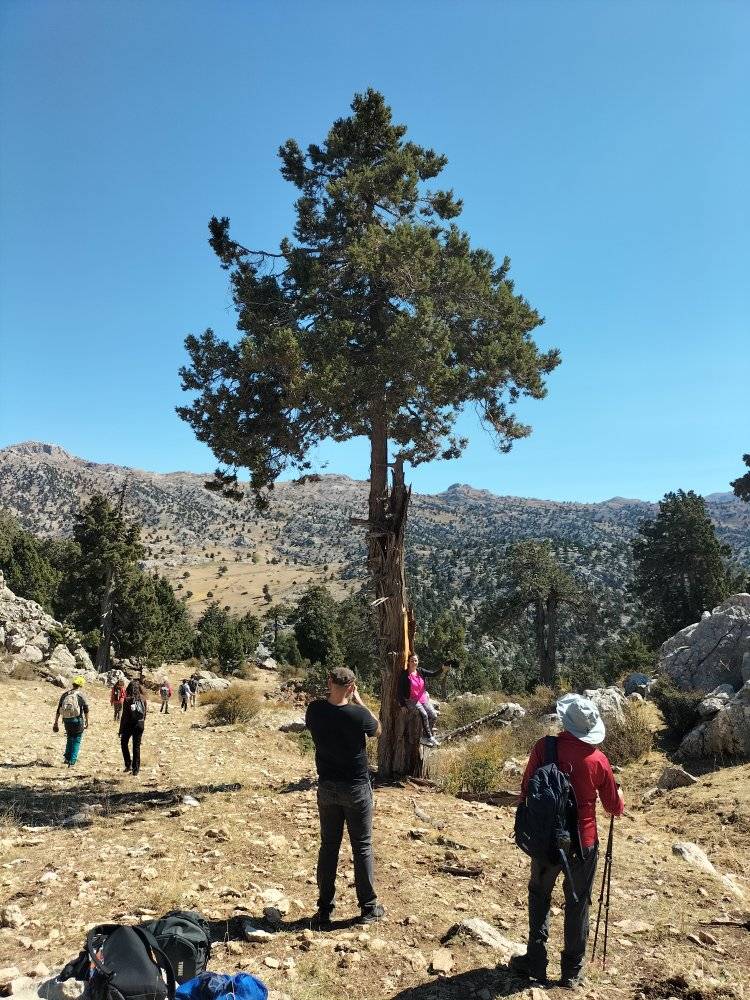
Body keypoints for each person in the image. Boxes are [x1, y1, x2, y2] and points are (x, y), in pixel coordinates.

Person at [511, 694, 625, 990]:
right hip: (583, 842)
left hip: (546, 841)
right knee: (578, 903)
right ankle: (571, 973)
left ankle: (535, 962)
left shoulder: (544, 747)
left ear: (565, 722)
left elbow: (526, 790)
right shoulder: (598, 760)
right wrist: (620, 796)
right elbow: (614, 807)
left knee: (539, 896)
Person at [305, 666, 383, 927]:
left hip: (327, 787)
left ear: (329, 681)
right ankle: (368, 908)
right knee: (362, 847)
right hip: (356, 788)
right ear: (352, 686)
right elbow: (377, 730)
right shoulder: (358, 714)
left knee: (329, 847)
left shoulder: (314, 710)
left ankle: (325, 909)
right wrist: (360, 701)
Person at [398, 653, 441, 746]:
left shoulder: (420, 671)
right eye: (412, 660)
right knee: (424, 715)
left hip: (423, 699)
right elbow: (400, 691)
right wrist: (402, 705)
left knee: (433, 715)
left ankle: (426, 736)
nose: (414, 662)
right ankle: (428, 737)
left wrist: (443, 668)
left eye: (415, 660)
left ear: (418, 661)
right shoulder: (405, 675)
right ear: (408, 662)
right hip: (411, 700)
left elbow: (433, 674)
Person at [53, 676, 89, 767]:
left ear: (73, 684)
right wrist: (87, 721)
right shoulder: (81, 695)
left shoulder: (65, 695)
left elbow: (59, 709)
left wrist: (56, 722)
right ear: (80, 685)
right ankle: (72, 761)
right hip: (77, 720)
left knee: (69, 737)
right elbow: (86, 709)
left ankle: (66, 758)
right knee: (77, 739)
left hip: (66, 720)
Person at [120, 679, 147, 776]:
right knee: (136, 747)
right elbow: (144, 714)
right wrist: (141, 723)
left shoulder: (127, 700)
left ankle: (128, 764)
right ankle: (136, 769)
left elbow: (124, 716)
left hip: (129, 725)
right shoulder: (143, 699)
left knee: (124, 743)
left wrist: (121, 729)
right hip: (139, 724)